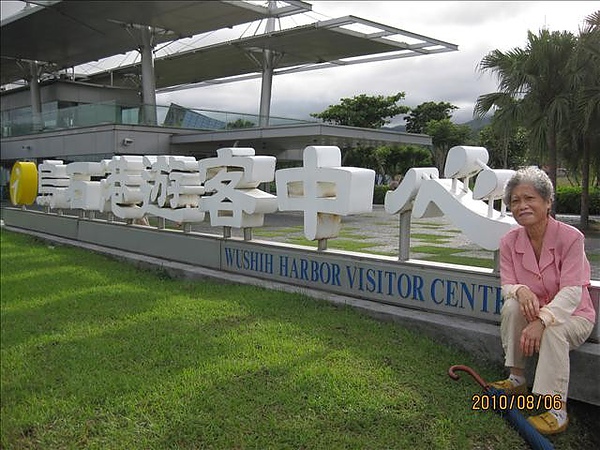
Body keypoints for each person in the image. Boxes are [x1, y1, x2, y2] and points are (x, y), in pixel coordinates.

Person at [490, 166, 596, 435]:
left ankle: (556, 410)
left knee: (554, 330)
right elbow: (507, 286)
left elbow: (572, 293)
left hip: (574, 316)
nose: (521, 205)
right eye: (515, 201)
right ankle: (516, 378)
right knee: (513, 305)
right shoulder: (509, 241)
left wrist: (542, 320)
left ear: (547, 202)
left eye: (529, 198)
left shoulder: (572, 238)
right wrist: (520, 290)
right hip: (534, 310)